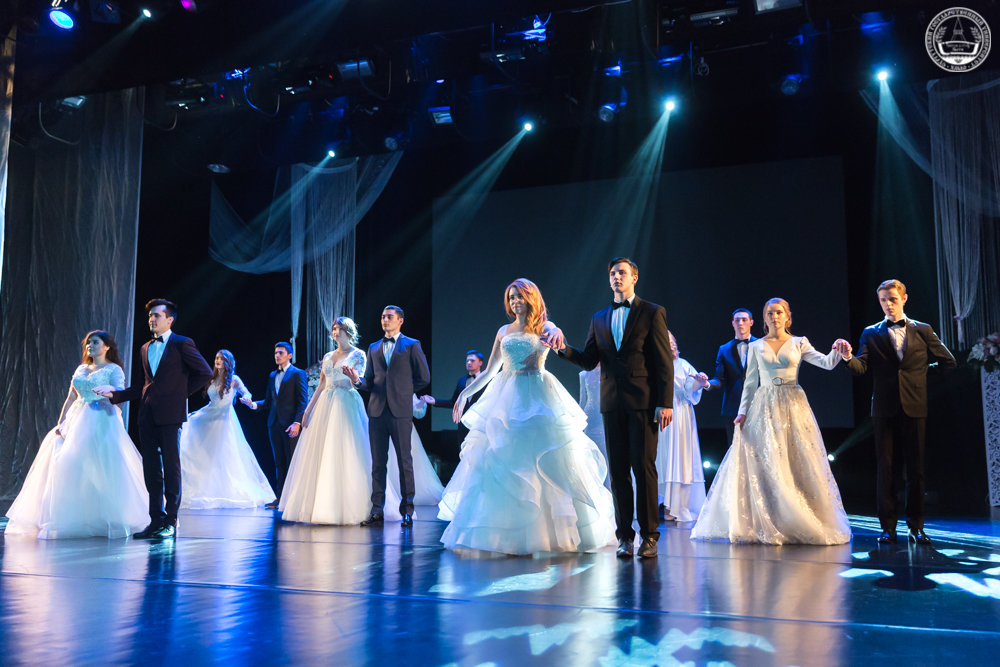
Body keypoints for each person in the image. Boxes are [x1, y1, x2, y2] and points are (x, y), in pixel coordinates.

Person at [438, 278, 616, 555]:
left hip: (538, 395)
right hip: (506, 398)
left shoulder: (544, 326)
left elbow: (555, 332)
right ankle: (504, 536)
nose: (515, 301)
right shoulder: (503, 331)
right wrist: (464, 394)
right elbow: (490, 371)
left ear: (531, 298)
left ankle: (552, 534)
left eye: (520, 296)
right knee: (502, 460)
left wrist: (556, 331)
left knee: (546, 459)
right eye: (511, 298)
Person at [691, 298, 851, 545]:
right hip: (764, 404)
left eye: (778, 312)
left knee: (796, 458)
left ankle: (796, 515)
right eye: (769, 313)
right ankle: (772, 516)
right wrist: (742, 412)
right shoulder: (757, 346)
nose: (774, 317)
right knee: (769, 460)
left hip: (793, 403)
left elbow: (826, 363)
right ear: (764, 318)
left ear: (787, 316)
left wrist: (839, 351)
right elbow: (750, 383)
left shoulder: (799, 342)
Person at [552, 257, 673, 559]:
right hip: (611, 403)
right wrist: (562, 348)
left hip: (643, 403)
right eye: (612, 273)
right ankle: (625, 537)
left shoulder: (652, 312)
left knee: (643, 469)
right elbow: (589, 360)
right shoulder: (599, 318)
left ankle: (650, 536)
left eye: (622, 272)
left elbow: (663, 361)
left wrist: (665, 403)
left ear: (634, 277)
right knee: (618, 473)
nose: (617, 277)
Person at [842, 279, 956, 545]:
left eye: (892, 299)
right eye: (883, 300)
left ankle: (916, 526)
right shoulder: (871, 332)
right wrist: (847, 358)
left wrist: (920, 376)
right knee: (886, 468)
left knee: (916, 469)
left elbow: (948, 362)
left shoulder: (922, 329)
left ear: (904, 298)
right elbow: (861, 368)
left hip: (914, 405)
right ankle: (888, 528)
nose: (888, 304)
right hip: (884, 408)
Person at [6, 331, 149, 538]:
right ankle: (69, 516)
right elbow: (71, 397)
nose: (90, 345)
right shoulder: (81, 368)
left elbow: (119, 396)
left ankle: (105, 516)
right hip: (76, 418)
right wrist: (61, 422)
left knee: (102, 467)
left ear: (107, 346)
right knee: (70, 464)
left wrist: (109, 395)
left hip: (101, 419)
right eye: (88, 342)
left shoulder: (113, 369)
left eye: (95, 342)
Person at [95, 299, 214, 539]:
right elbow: (142, 385)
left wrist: (179, 395)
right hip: (147, 415)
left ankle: (171, 521)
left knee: (171, 467)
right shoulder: (145, 348)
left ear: (169, 320)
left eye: (157, 315)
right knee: (151, 469)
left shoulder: (182, 343)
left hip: (170, 415)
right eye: (150, 316)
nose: (151, 319)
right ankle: (155, 520)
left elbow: (205, 373)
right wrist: (116, 394)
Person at [278, 317, 401, 524]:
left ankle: (354, 506)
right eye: (334, 329)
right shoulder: (328, 356)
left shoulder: (358, 354)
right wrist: (307, 411)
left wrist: (353, 378)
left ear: (349, 332)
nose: (336, 332)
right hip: (325, 404)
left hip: (345, 403)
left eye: (340, 329)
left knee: (347, 450)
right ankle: (320, 505)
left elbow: (359, 382)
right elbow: (321, 385)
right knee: (321, 452)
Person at [342, 305, 431, 528]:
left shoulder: (412, 345)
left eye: (389, 317)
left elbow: (424, 377)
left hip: (400, 411)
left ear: (400, 320)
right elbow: (369, 381)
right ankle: (377, 510)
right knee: (378, 463)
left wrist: (404, 391)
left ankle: (407, 510)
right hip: (377, 411)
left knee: (404, 461)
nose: (385, 320)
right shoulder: (374, 347)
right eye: (383, 316)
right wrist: (357, 380)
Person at [179, 350, 273, 509]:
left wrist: (247, 399)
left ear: (228, 362)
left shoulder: (234, 379)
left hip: (224, 419)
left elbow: (246, 392)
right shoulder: (211, 378)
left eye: (222, 358)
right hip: (210, 415)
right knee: (192, 432)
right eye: (217, 358)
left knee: (224, 453)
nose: (218, 360)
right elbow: (211, 400)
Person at [242, 342, 308, 508]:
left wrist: (297, 423)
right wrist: (254, 404)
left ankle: (294, 499)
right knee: (279, 463)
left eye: (281, 353)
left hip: (290, 424)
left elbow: (302, 402)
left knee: (292, 461)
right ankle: (280, 498)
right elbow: (269, 401)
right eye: (276, 353)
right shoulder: (272, 375)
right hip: (274, 424)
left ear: (289, 355)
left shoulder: (297, 373)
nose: (277, 355)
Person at [656, 332, 710, 522]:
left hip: (680, 415)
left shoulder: (683, 365)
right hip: (659, 414)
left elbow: (689, 389)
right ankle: (663, 503)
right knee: (661, 457)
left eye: (671, 341)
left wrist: (698, 383)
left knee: (680, 458)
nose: (669, 344)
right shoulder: (653, 363)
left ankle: (678, 506)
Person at [704, 308, 758, 446]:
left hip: (757, 403)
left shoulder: (761, 345)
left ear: (751, 322)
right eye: (737, 320)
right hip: (733, 406)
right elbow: (719, 379)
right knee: (735, 447)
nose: (740, 323)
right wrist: (707, 384)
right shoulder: (724, 349)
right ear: (733, 323)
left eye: (744, 320)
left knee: (758, 446)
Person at [421, 349, 487, 448]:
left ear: (480, 363)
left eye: (472, 360)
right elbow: (454, 403)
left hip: (480, 425)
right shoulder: (462, 381)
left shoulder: (486, 380)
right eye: (467, 361)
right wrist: (435, 401)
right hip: (463, 426)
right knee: (463, 453)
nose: (469, 363)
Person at [388, 395, 445, 505]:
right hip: (389, 428)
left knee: (409, 462)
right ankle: (391, 493)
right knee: (390, 460)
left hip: (406, 429)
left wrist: (422, 402)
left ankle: (407, 493)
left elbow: (418, 412)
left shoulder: (406, 390)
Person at [578, 364, 609, 484]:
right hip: (590, 418)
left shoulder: (609, 371)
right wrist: (579, 423)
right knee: (590, 453)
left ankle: (609, 487)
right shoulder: (583, 374)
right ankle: (594, 485)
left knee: (606, 453)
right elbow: (582, 400)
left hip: (604, 416)